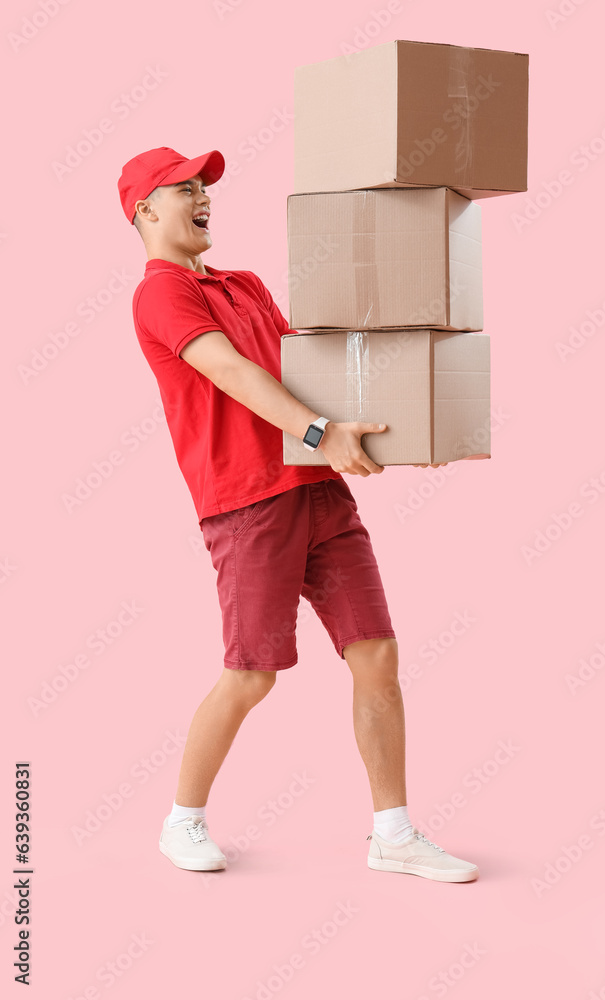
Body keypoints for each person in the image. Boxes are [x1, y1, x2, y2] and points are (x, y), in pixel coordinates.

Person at [117, 146, 479, 883]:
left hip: (318, 493)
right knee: (251, 674)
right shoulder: (158, 295)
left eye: (204, 187)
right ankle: (181, 820)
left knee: (375, 654)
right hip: (247, 504)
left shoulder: (242, 283)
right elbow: (233, 373)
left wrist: (414, 430)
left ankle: (394, 834)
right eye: (182, 188)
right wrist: (318, 433)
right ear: (145, 210)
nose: (201, 196)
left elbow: (306, 366)